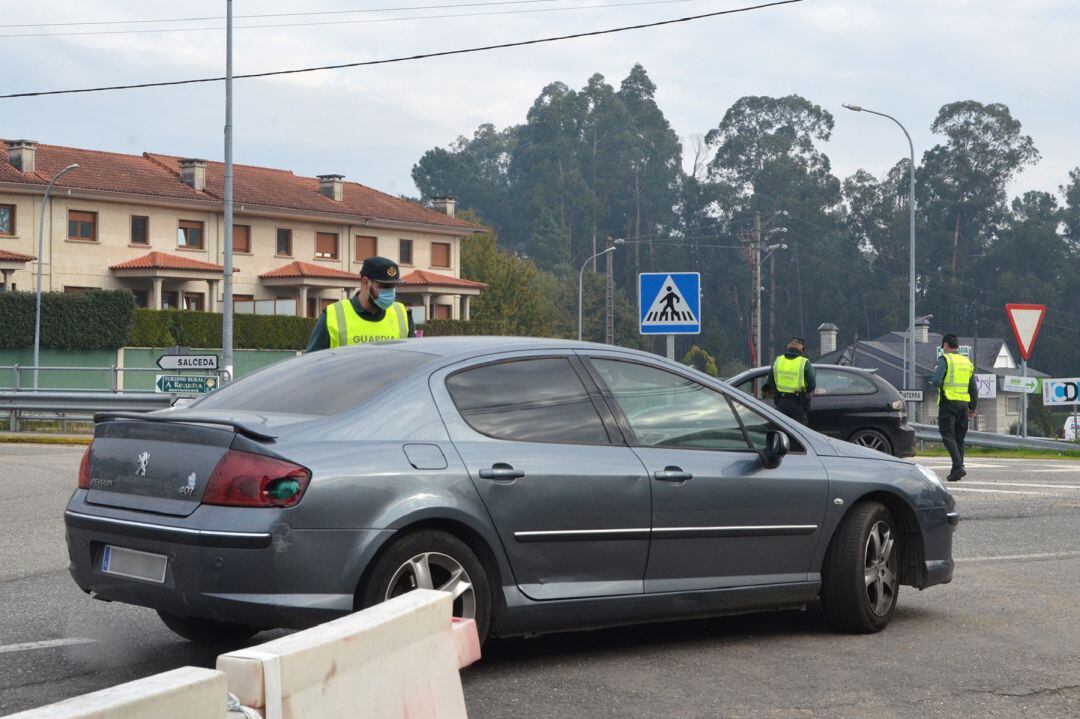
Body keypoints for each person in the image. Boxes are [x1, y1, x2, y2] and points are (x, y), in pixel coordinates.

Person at [305, 256, 414, 352]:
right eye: (384, 286)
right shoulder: (333, 316)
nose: (390, 292)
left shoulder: (403, 316)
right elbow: (312, 364)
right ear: (365, 282)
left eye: (393, 286)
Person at [928, 333, 977, 482]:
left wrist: (935, 379)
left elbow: (936, 381)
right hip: (963, 405)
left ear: (945, 345)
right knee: (959, 438)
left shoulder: (945, 359)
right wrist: (973, 407)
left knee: (947, 434)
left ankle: (958, 465)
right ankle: (956, 472)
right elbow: (973, 388)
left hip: (948, 403)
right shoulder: (967, 362)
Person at [763, 337, 816, 424]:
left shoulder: (778, 360)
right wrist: (805, 392)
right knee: (798, 432)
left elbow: (770, 382)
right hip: (798, 403)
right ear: (801, 350)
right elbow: (812, 385)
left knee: (782, 429)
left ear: (788, 348)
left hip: (781, 402)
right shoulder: (804, 362)